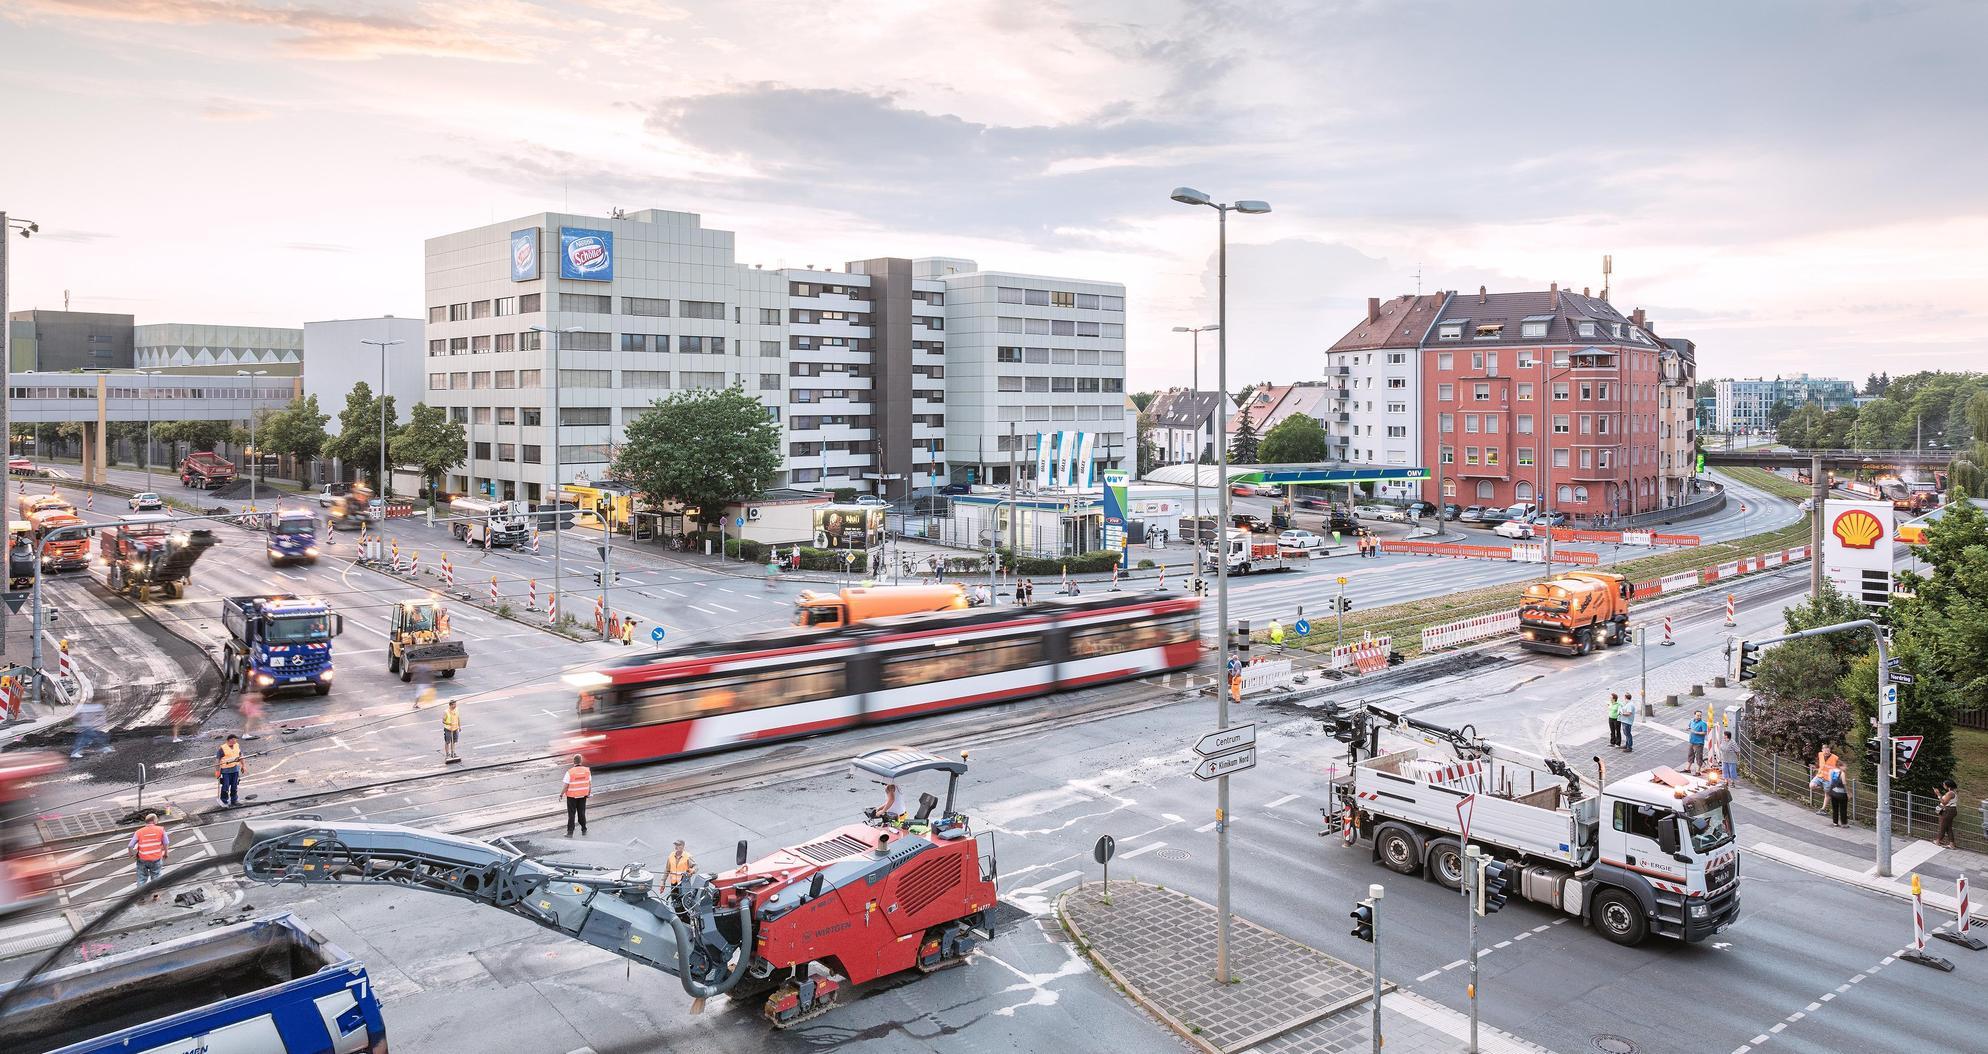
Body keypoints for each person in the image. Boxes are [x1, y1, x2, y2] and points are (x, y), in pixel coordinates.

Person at [129, 812, 169, 893]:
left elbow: (130, 845)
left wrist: (131, 854)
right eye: (157, 819)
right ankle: (155, 894)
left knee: (142, 878)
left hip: (142, 859)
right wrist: (166, 853)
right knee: (156, 876)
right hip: (156, 858)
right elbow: (166, 843)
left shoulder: (139, 832)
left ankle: (140, 896)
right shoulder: (161, 830)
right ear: (154, 820)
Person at [562, 754, 591, 836]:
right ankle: (584, 829)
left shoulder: (570, 772)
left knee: (571, 814)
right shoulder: (587, 771)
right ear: (581, 761)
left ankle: (570, 832)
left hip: (572, 797)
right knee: (581, 813)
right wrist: (588, 793)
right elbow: (589, 784)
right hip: (583, 796)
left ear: (573, 762)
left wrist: (561, 794)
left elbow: (566, 785)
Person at [216, 734, 244, 807]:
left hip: (235, 769)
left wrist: (243, 766)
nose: (236, 741)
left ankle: (234, 800)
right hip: (226, 771)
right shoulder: (222, 748)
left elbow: (240, 756)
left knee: (234, 785)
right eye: (235, 739)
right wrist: (217, 771)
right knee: (225, 786)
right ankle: (224, 800)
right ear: (230, 740)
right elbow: (217, 760)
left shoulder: (237, 745)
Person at [1810, 744, 1841, 812]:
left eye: (1828, 751)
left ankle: (1822, 809)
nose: (1826, 753)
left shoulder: (1835, 758)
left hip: (1828, 779)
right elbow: (1820, 762)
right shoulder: (1820, 754)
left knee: (1827, 794)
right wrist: (1816, 767)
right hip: (1819, 776)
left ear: (1830, 750)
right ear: (1822, 750)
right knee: (1811, 785)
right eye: (1825, 751)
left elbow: (1839, 769)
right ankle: (1822, 787)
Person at [1936, 779, 1960, 849]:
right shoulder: (1953, 792)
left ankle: (1938, 841)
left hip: (1947, 811)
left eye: (1944, 784)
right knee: (1948, 827)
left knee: (1942, 826)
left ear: (1947, 785)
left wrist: (1938, 794)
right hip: (1951, 810)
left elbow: (1944, 802)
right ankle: (1951, 844)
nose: (1943, 786)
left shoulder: (1950, 793)